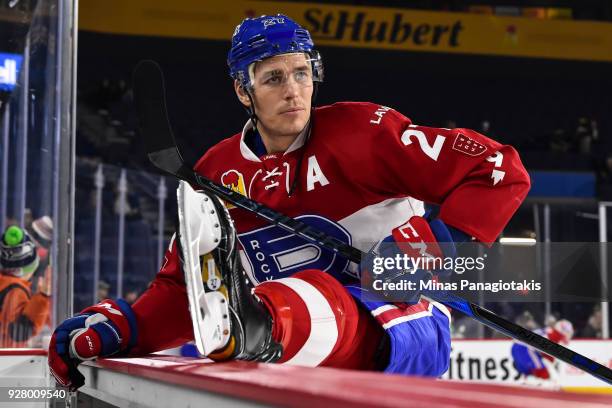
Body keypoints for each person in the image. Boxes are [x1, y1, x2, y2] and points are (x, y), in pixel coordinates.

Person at [49, 14, 530, 389]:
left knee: (307, 295)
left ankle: (259, 325)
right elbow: (185, 289)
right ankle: (257, 325)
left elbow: (498, 170)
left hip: (402, 326)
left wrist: (430, 252)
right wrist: (128, 326)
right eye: (274, 78)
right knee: (278, 306)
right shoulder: (216, 174)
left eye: (302, 73)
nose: (294, 90)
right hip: (291, 356)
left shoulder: (365, 132)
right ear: (243, 90)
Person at [0, 225, 52, 347]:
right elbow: (19, 332)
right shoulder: (15, 290)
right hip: (7, 361)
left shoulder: (6, 284)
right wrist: (43, 296)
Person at [511, 319, 574, 386]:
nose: (568, 335)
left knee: (531, 373)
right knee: (543, 373)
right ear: (562, 331)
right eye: (567, 332)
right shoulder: (554, 336)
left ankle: (530, 386)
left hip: (519, 347)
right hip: (525, 348)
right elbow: (547, 356)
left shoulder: (550, 331)